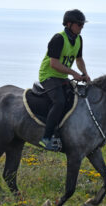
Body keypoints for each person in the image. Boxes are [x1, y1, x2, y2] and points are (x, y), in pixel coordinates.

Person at [38, 9, 91, 151]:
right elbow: (53, 64)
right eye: (79, 24)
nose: (81, 27)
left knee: (75, 99)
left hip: (62, 76)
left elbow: (79, 59)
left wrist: (85, 73)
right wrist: (73, 73)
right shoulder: (58, 38)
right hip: (48, 75)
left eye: (82, 25)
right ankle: (46, 138)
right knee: (59, 101)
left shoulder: (79, 39)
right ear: (69, 24)